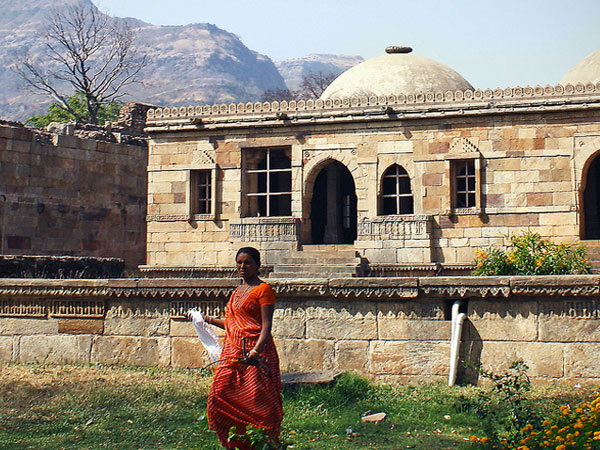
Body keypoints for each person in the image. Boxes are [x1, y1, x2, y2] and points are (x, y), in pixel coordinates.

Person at [200, 247, 283, 449]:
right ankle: (236, 443)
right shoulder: (237, 291)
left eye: (247, 263)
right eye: (239, 262)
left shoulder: (263, 290)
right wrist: (206, 319)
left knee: (258, 403)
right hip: (233, 352)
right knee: (219, 395)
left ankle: (263, 443)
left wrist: (256, 351)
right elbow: (232, 323)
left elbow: (266, 326)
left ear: (257, 265)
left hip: (256, 353)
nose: (242, 267)